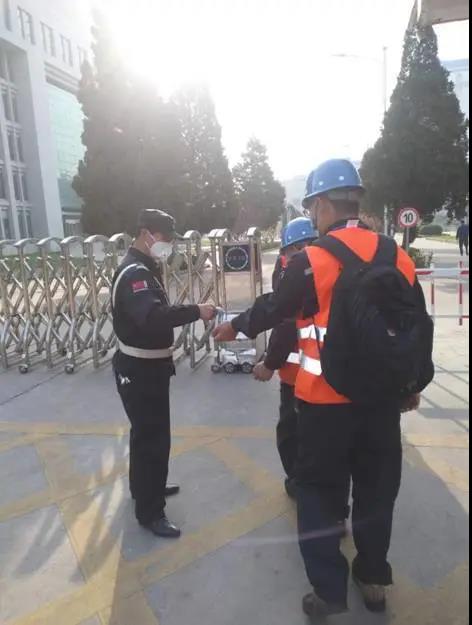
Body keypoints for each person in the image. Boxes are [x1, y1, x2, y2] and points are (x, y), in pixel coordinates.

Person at [214, 160, 430, 619]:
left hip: (323, 404)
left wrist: (236, 326)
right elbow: (415, 326)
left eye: (313, 206)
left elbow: (275, 308)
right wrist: (410, 385)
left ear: (326, 204)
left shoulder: (312, 260)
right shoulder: (397, 255)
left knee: (317, 495)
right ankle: (373, 580)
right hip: (380, 404)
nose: (312, 215)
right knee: (376, 493)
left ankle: (329, 591)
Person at [112, 209, 216, 539]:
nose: (169, 244)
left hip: (146, 368)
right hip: (140, 371)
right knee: (153, 439)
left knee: (144, 434)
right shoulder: (136, 274)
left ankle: (145, 487)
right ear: (147, 235)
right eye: (166, 238)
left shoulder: (144, 267)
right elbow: (154, 317)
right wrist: (196, 311)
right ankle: (150, 512)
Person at [253, 218, 317, 499]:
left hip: (300, 375)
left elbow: (285, 322)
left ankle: (300, 483)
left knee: (293, 433)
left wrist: (269, 363)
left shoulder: (296, 270)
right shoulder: (291, 269)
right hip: (318, 373)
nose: (286, 258)